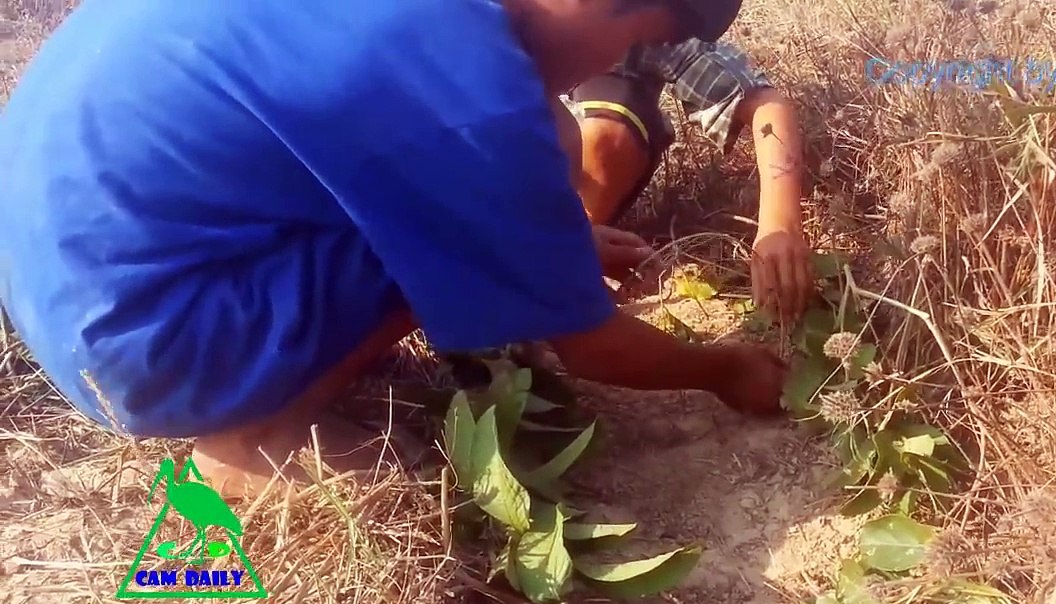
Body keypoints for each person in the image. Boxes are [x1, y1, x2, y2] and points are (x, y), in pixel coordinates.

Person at [0, 0, 788, 499]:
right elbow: (591, 348)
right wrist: (723, 370)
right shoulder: (466, 85)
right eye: (628, 42)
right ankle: (245, 441)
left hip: (57, 279)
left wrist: (561, 237)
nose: (606, 71)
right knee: (457, 228)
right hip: (148, 345)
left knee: (500, 177)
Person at [559, 37, 814, 322]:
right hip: (514, 195)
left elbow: (762, 103)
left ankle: (560, 263)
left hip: (566, 192)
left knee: (606, 135)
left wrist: (779, 225)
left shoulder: (643, 26)